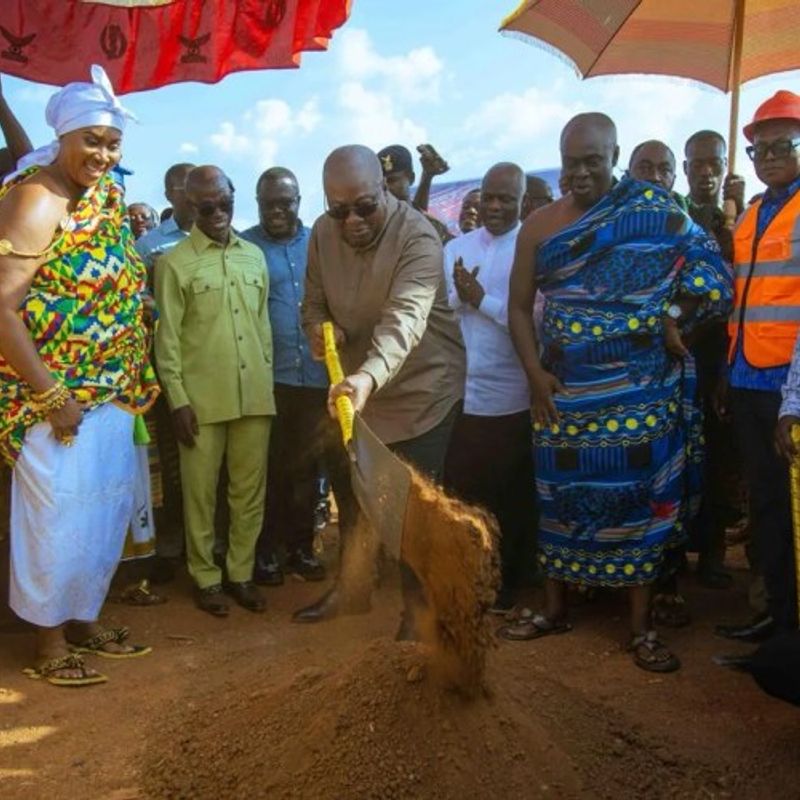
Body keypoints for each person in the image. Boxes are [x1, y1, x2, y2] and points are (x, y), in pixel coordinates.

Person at [504, 112, 731, 672]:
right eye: (570, 162)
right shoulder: (539, 225)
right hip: (562, 392)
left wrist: (677, 315)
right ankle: (555, 610)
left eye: (592, 162)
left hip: (640, 392)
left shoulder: (658, 213)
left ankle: (640, 627)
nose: (579, 174)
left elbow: (712, 275)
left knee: (639, 504)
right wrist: (534, 375)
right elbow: (516, 307)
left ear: (614, 157)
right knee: (558, 499)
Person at [0, 65, 159, 686]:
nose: (102, 153)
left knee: (101, 511)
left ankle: (85, 620)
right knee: (56, 516)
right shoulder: (36, 198)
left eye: (112, 143)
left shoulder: (105, 195)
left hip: (112, 392)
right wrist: (52, 393)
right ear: (63, 138)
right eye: (90, 140)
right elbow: (2, 308)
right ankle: (47, 642)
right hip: (56, 399)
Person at [294, 144, 466, 638]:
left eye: (364, 206)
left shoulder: (419, 235)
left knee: (411, 508)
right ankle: (352, 589)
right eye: (338, 209)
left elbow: (404, 323)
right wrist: (322, 331)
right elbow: (313, 304)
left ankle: (419, 613)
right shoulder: (322, 234)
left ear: (386, 191)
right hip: (356, 392)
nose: (352, 221)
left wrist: (367, 376)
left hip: (421, 389)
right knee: (353, 493)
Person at [154, 166, 275, 617]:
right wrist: (178, 400)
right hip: (200, 404)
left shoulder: (254, 256)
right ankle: (206, 578)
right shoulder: (175, 263)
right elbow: (167, 339)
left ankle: (240, 574)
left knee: (248, 492)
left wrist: (265, 385)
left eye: (225, 202)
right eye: (206, 207)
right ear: (189, 206)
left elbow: (262, 326)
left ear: (233, 196)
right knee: (200, 495)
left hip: (254, 397)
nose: (218, 213)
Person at [716, 91, 800, 643]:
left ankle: (790, 626)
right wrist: (728, 371)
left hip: (785, 387)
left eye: (782, 145)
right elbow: (741, 298)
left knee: (791, 513)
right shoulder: (751, 215)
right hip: (745, 376)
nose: (768, 156)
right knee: (766, 505)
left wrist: (793, 402)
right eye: (758, 148)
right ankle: (775, 612)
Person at [242, 167, 345, 585]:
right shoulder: (245, 247)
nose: (278, 210)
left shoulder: (322, 242)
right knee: (270, 471)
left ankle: (302, 549)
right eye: (269, 203)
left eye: (286, 202)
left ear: (299, 201)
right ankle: (267, 553)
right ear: (258, 204)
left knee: (308, 471)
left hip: (320, 379)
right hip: (272, 380)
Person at [443, 163, 535, 612]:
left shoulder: (531, 249)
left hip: (511, 398)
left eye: (506, 199)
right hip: (463, 395)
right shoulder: (455, 248)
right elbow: (442, 312)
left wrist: (482, 300)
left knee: (510, 502)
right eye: (489, 198)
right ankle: (467, 582)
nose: (495, 207)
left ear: (521, 201)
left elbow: (536, 320)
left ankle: (509, 586)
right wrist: (461, 297)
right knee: (464, 497)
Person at [377, 144, 454, 244]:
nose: (386, 187)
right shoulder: (374, 228)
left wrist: (427, 176)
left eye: (392, 180)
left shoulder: (433, 226)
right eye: (381, 183)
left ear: (411, 178)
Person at [136, 162, 196, 278]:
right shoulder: (147, 246)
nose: (195, 195)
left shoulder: (221, 239)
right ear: (169, 195)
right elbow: (137, 291)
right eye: (186, 189)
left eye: (200, 188)